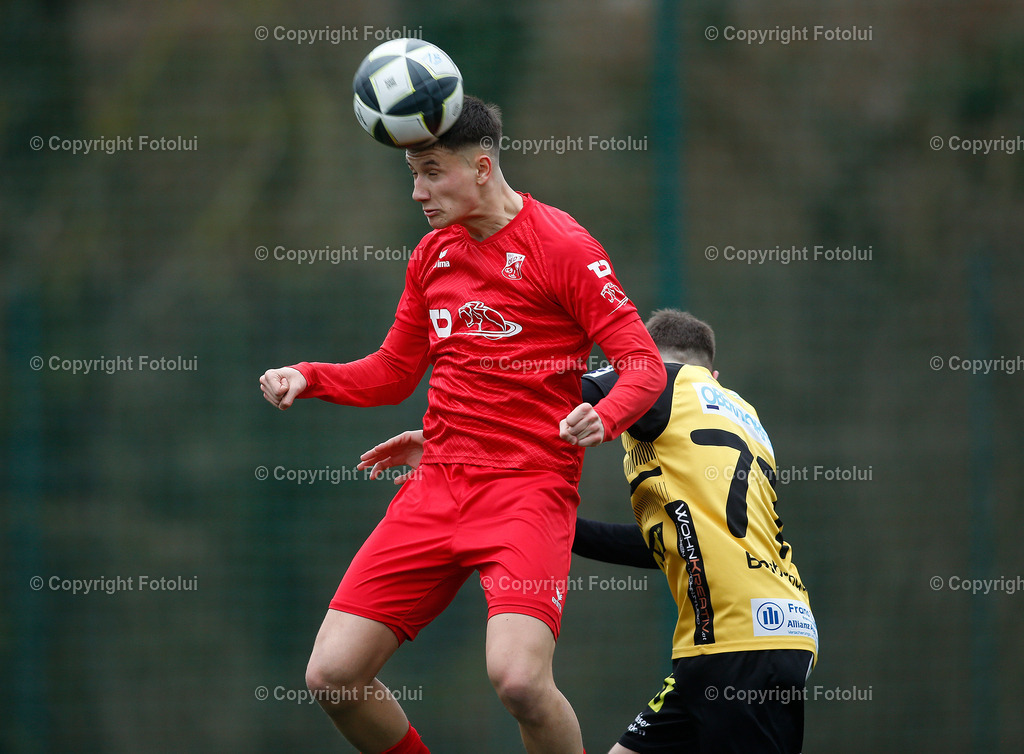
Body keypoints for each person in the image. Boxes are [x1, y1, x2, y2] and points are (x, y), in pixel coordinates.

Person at [259, 95, 666, 754]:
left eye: (431, 172)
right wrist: (309, 377)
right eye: (412, 175)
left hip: (527, 493)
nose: (418, 191)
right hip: (436, 488)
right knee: (332, 676)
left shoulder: (562, 246)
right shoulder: (432, 255)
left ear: (481, 167)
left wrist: (606, 414)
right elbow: (394, 373)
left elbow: (643, 366)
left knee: (520, 683)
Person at [361, 310, 817, 754]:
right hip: (760, 632)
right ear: (715, 375)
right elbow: (668, 544)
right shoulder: (745, 417)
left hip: (739, 641)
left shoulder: (657, 378)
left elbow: (550, 396)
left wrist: (448, 444)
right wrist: (551, 525)